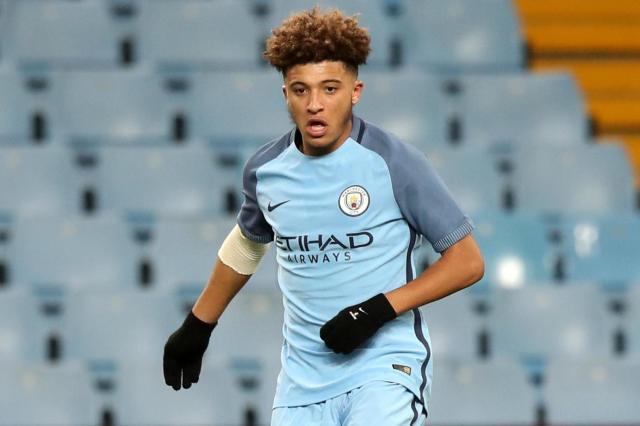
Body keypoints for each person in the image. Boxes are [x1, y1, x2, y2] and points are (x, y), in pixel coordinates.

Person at [163, 7, 484, 426]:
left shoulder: (395, 163)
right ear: (285, 94)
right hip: (301, 385)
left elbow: (467, 261)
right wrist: (198, 324)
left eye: (330, 89)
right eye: (301, 90)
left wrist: (378, 310)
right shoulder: (266, 171)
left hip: (384, 370)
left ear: (355, 91)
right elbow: (246, 245)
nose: (315, 104)